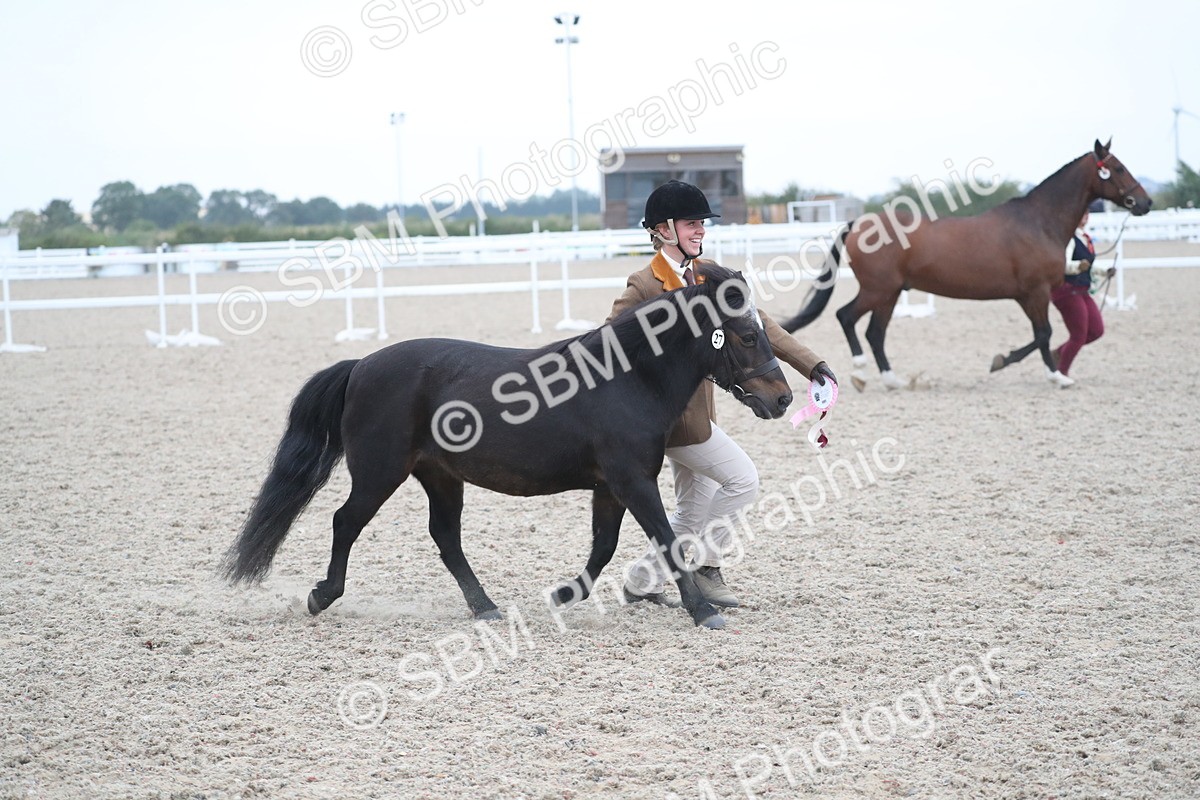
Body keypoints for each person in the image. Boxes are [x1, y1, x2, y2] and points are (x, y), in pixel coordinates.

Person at [609, 180, 836, 609]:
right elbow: (610, 344)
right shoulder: (644, 284)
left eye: (701, 224)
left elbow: (760, 324)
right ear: (664, 230)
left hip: (702, 413)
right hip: (671, 422)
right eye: (692, 224)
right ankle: (706, 568)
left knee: (695, 508)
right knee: (742, 480)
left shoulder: (708, 273)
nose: (700, 231)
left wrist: (812, 365)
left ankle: (642, 581)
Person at [1049, 210, 1114, 387]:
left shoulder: (1084, 238)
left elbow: (1089, 266)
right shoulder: (1068, 239)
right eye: (1082, 213)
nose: (1085, 216)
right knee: (1078, 335)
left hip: (1082, 290)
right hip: (1068, 290)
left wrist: (1104, 272)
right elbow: (1062, 264)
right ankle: (1061, 373)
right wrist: (1078, 266)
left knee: (1096, 331)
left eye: (1087, 213)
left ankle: (1058, 353)